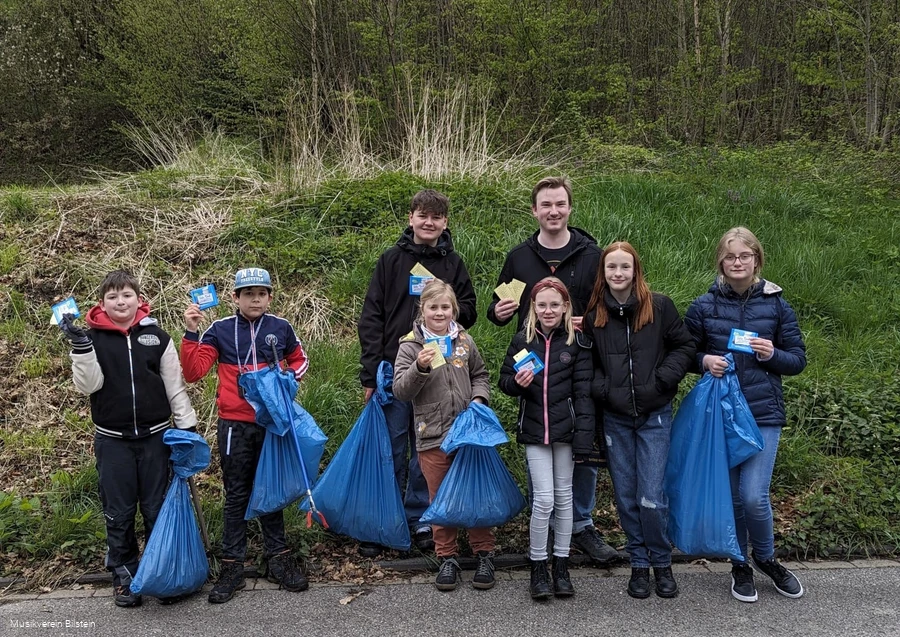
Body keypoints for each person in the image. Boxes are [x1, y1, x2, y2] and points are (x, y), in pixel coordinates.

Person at [487, 176, 618, 565]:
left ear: (569, 208)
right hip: (538, 369)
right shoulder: (520, 257)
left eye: (560, 204)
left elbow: (608, 307)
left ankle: (582, 523)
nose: (553, 211)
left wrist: (588, 322)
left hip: (582, 362)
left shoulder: (591, 255)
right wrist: (498, 311)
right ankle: (542, 520)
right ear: (535, 211)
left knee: (583, 441)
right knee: (540, 439)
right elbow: (498, 309)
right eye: (546, 205)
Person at [59, 270, 197, 608]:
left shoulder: (157, 337)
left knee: (156, 509)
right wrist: (81, 348)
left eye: (127, 295)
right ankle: (124, 577)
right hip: (113, 442)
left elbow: (174, 386)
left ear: (139, 299)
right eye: (112, 297)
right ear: (102, 303)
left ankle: (161, 574)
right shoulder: (91, 337)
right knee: (118, 513)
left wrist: (187, 427)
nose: (120, 302)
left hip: (156, 438)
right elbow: (88, 386)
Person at [684, 227, 807, 603]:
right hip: (721, 413)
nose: (737, 262)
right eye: (730, 256)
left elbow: (798, 360)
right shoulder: (703, 306)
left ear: (757, 260)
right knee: (734, 499)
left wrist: (773, 355)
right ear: (720, 262)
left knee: (754, 496)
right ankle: (740, 564)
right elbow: (682, 354)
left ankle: (767, 558)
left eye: (745, 256)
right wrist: (704, 360)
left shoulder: (777, 305)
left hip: (763, 412)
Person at [358, 189, 477, 556]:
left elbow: (469, 309)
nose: (429, 223)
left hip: (439, 376)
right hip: (395, 372)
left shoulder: (454, 263)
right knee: (391, 450)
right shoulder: (391, 260)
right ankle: (385, 522)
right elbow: (372, 316)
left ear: (445, 223)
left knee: (425, 452)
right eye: (422, 215)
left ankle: (422, 520)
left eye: (436, 217)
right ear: (411, 217)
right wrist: (369, 372)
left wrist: (444, 311)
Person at [182, 267, 310, 604]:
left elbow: (300, 361)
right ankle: (232, 565)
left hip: (270, 423)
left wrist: (286, 381)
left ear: (269, 297)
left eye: (262, 293)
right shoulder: (219, 330)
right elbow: (194, 372)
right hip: (234, 425)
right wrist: (191, 332)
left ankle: (278, 558)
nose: (256, 299)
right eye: (248, 293)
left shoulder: (281, 328)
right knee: (237, 493)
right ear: (235, 298)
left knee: (270, 488)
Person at [584, 242, 695, 599]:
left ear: (636, 270)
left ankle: (662, 562)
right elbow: (589, 364)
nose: (618, 274)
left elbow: (684, 347)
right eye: (611, 267)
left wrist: (662, 381)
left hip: (654, 416)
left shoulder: (659, 306)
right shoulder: (595, 314)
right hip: (616, 418)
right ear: (603, 272)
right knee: (627, 496)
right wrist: (604, 390)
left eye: (625, 267)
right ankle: (639, 565)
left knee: (652, 496)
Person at [392, 280, 493, 592]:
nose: (439, 312)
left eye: (445, 307)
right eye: (433, 307)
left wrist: (478, 399)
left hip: (468, 433)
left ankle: (484, 554)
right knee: (440, 500)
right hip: (431, 434)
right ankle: (446, 557)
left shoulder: (464, 341)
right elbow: (400, 390)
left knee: (474, 494)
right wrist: (419, 368)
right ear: (422, 310)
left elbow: (480, 375)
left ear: (454, 310)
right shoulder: (410, 346)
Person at [499, 277, 594, 600]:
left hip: (566, 433)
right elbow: (505, 382)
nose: (548, 310)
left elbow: (584, 395)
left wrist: (584, 436)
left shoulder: (576, 343)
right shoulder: (520, 341)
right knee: (544, 500)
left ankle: (562, 564)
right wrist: (518, 383)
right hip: (535, 432)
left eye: (555, 304)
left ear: (566, 307)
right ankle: (538, 565)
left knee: (565, 498)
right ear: (533, 308)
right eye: (542, 305)